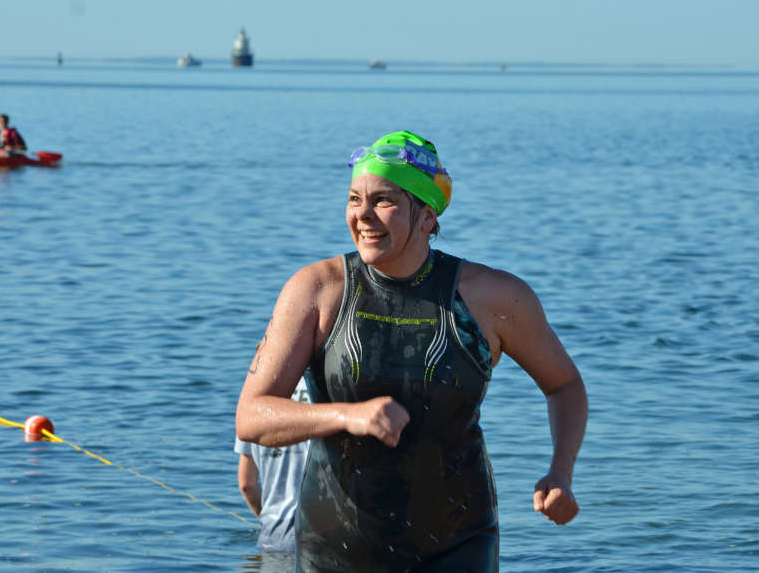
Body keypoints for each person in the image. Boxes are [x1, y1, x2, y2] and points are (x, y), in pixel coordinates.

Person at [235, 130, 588, 572]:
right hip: (336, 550)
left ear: (426, 217)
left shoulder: (494, 298)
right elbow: (251, 416)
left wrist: (561, 473)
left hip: (458, 545)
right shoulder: (317, 290)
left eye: (383, 201)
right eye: (353, 198)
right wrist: (347, 416)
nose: (362, 215)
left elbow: (565, 385)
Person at [235, 376, 310, 553]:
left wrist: (269, 519)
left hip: (273, 536)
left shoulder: (253, 397)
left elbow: (247, 484)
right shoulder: (327, 387)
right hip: (317, 534)